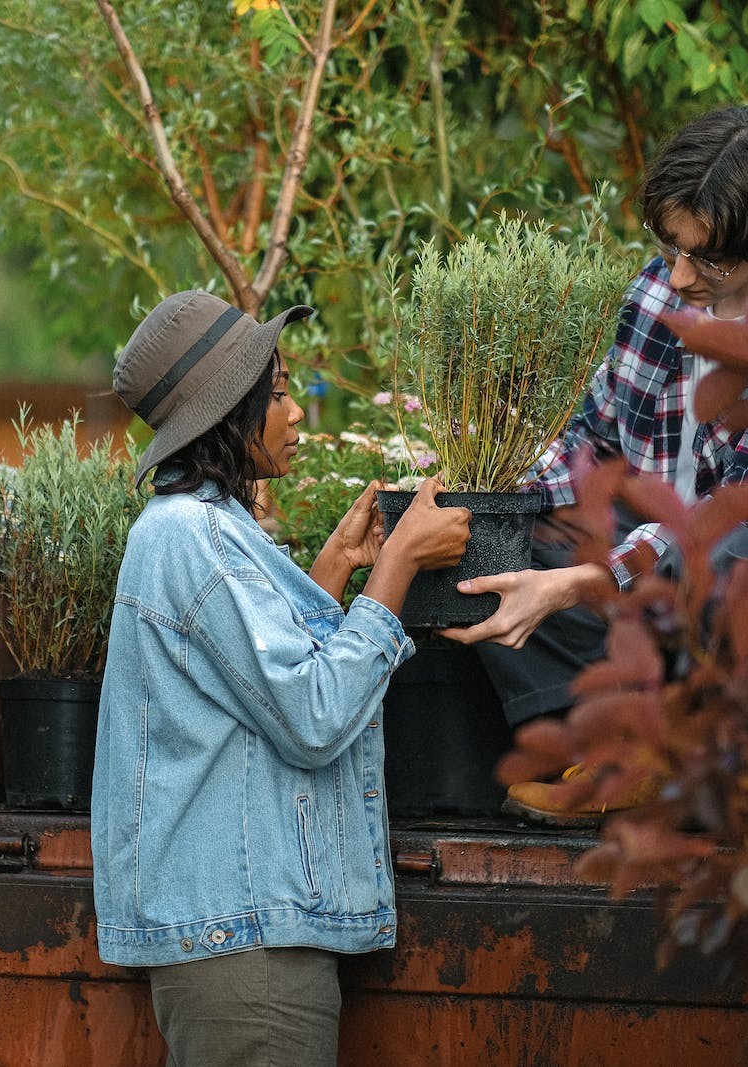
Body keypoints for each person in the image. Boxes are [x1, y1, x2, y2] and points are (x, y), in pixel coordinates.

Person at [440, 106, 748, 824]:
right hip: (659, 579)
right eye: (671, 246)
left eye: (708, 259)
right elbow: (594, 441)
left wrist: (581, 581)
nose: (677, 275)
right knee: (500, 539)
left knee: (742, 560)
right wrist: (485, 502)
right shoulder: (658, 291)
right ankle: (617, 747)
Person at [92, 289, 472, 1067]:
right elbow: (313, 713)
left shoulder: (205, 525)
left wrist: (334, 566)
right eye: (280, 390)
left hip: (241, 941)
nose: (296, 412)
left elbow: (256, 683)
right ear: (230, 412)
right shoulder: (191, 535)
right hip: (247, 955)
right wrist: (394, 571)